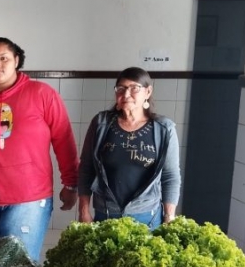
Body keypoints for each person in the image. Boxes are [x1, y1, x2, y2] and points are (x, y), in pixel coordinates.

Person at [0, 37, 78, 262]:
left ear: (17, 61)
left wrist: (71, 183)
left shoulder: (42, 94)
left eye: (4, 58)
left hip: (29, 197)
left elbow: (64, 140)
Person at [78, 67, 181, 229]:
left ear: (147, 92)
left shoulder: (163, 128)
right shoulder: (101, 123)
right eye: (121, 88)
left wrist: (169, 216)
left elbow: (170, 176)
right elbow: (86, 169)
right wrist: (83, 211)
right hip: (105, 213)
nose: (126, 94)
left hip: (147, 217)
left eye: (134, 88)